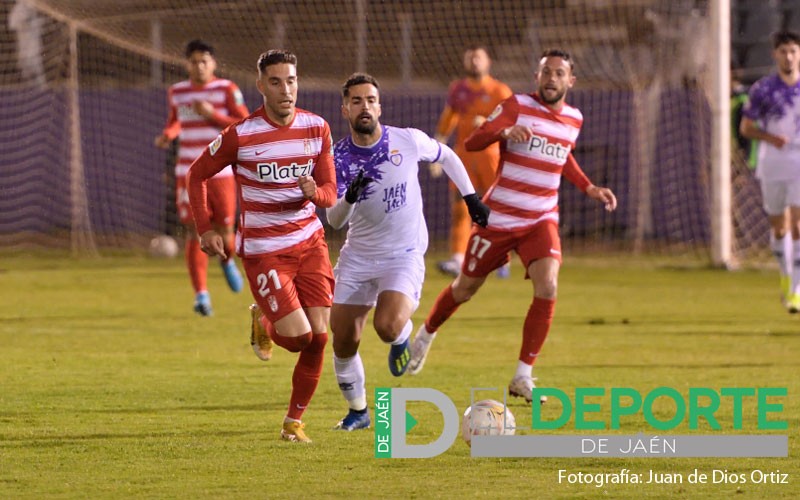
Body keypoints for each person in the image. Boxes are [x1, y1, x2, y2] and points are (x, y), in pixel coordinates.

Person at [408, 49, 618, 405]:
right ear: (536, 77)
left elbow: (562, 154)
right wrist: (503, 131)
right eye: (545, 72)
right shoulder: (515, 104)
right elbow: (472, 143)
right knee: (465, 288)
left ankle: (523, 375)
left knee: (548, 284)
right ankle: (426, 334)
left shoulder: (574, 118)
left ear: (571, 80)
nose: (552, 78)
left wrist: (589, 187)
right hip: (500, 218)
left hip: (541, 219)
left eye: (559, 73)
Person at [187, 49, 336, 443]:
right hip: (265, 251)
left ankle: (293, 423)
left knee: (320, 336)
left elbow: (330, 192)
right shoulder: (241, 134)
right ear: (261, 86)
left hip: (310, 244)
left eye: (291, 80)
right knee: (299, 338)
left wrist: (315, 193)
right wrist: (205, 229)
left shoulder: (317, 127)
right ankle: (265, 321)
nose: (286, 89)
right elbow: (196, 174)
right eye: (276, 81)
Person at [326, 73, 489, 431]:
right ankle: (358, 412)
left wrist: (471, 197)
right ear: (345, 109)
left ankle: (401, 337)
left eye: (370, 100)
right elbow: (334, 220)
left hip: (404, 252)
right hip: (358, 256)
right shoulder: (336, 157)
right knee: (343, 339)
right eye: (356, 101)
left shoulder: (406, 140)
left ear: (379, 106)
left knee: (386, 326)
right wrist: (350, 197)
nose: (364, 107)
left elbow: (446, 154)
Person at [154, 39, 248, 316]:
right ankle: (201, 296)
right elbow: (175, 122)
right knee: (196, 233)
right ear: (188, 64)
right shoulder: (177, 92)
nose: (199, 66)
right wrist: (167, 135)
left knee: (226, 232)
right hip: (188, 173)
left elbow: (242, 122)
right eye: (194, 61)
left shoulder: (226, 89)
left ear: (213, 63)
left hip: (221, 173)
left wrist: (212, 114)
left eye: (204, 60)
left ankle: (227, 261)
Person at [431, 46, 513, 278]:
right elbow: (448, 119)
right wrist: (438, 146)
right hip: (463, 157)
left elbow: (511, 122)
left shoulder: (500, 90)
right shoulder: (458, 89)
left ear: (488, 62)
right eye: (470, 57)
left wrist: (488, 122)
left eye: (478, 57)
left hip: (491, 156)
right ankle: (458, 258)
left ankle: (500, 257)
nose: (474, 61)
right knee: (460, 208)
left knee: (494, 207)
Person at [741, 30, 800, 313]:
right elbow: (746, 128)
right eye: (783, 51)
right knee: (780, 227)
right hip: (773, 162)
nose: (789, 56)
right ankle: (785, 276)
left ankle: (797, 290)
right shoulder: (763, 89)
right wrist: (770, 138)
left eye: (793, 51)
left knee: (799, 225)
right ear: (775, 54)